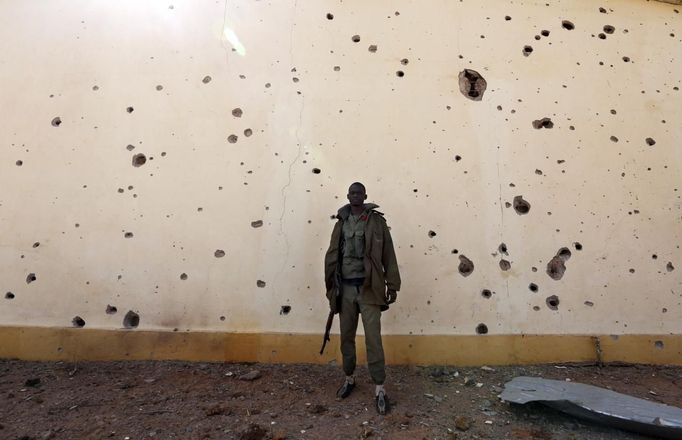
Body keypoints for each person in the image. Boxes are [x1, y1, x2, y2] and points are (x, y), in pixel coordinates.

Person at [324, 182, 401, 415]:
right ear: (348, 196)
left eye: (359, 193)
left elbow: (388, 253)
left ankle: (379, 387)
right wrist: (331, 288)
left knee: (373, 339)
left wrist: (393, 284)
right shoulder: (341, 223)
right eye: (352, 193)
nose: (355, 196)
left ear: (365, 196)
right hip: (345, 290)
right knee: (346, 336)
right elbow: (332, 255)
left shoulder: (377, 222)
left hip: (369, 289)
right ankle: (349, 378)